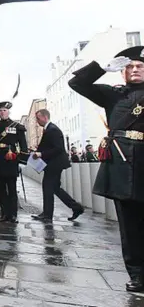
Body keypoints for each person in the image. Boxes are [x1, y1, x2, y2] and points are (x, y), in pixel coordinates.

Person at [68, 46, 144, 292]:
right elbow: (76, 84)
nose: (134, 70)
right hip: (123, 164)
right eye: (129, 67)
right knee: (129, 224)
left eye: (140, 66)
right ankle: (137, 276)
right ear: (122, 73)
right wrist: (100, 68)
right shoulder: (113, 95)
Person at [30, 109, 84, 223]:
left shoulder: (53, 130)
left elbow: (58, 148)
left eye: (38, 118)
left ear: (45, 117)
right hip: (53, 164)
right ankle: (76, 208)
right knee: (55, 188)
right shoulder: (50, 129)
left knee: (48, 188)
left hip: (54, 164)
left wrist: (41, 153)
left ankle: (47, 215)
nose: (37, 121)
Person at [0, 101, 28, 223]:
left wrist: (21, 160)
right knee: (1, 188)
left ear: (8, 111)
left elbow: (23, 144)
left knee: (12, 188)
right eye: (0, 111)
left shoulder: (17, 126)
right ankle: (4, 214)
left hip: (11, 158)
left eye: (5, 110)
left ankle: (13, 214)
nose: (3, 112)